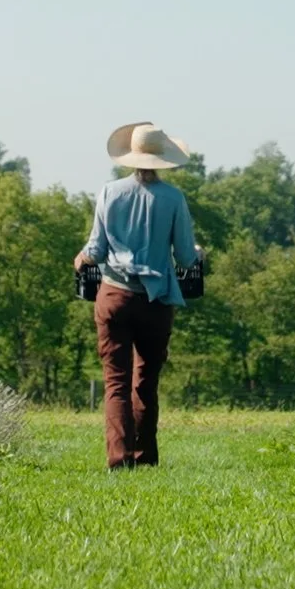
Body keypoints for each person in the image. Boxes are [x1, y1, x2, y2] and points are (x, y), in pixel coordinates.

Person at [74, 121, 200, 469]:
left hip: (114, 295)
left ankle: (118, 458)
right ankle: (145, 458)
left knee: (116, 382)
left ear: (130, 156)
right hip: (156, 299)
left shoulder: (109, 193)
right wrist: (199, 253)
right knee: (146, 381)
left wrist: (81, 258)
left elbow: (96, 250)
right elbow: (187, 257)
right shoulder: (174, 199)